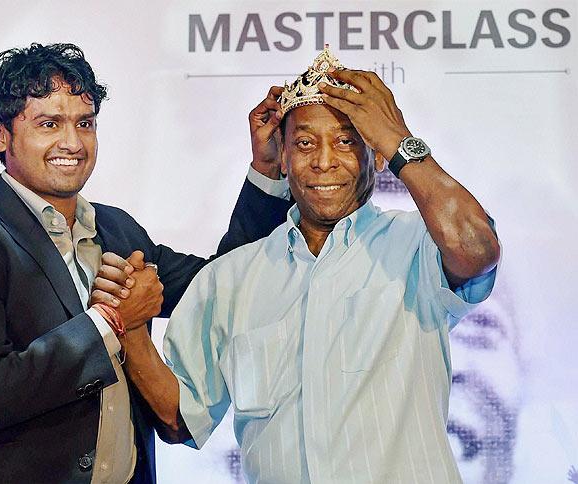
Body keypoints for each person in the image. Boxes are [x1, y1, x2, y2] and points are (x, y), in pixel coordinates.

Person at [94, 46, 501, 483]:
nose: (324, 161)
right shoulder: (233, 276)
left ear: (377, 156)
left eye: (347, 141)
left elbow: (476, 249)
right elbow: (180, 418)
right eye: (305, 143)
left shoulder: (415, 246)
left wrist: (400, 141)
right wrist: (132, 331)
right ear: (283, 158)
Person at [0, 43, 292, 483]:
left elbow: (227, 280)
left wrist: (266, 170)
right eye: (49, 123)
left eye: (84, 124)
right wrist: (112, 323)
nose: (72, 143)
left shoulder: (117, 230)